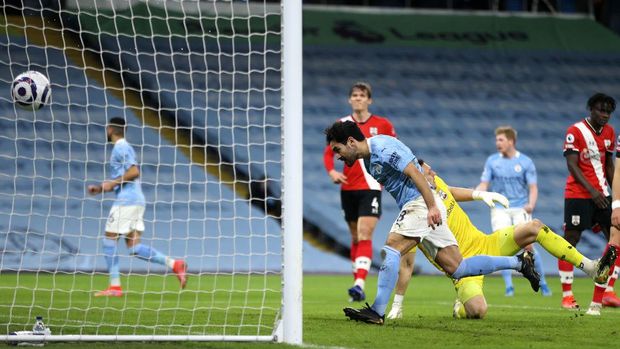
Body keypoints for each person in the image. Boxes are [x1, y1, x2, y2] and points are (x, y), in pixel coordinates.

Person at [325, 121, 540, 326]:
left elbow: (415, 172)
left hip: (419, 202)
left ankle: (377, 311)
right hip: (418, 205)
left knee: (392, 248)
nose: (338, 157)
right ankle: (519, 263)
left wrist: (432, 207)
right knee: (457, 267)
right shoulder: (369, 161)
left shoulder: (383, 146)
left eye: (338, 149)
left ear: (351, 141)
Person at [385, 160, 615, 320]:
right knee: (477, 311)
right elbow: (406, 263)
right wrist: (397, 304)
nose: (433, 173)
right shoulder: (414, 213)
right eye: (427, 171)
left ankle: (591, 268)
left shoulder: (438, 184)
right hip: (464, 269)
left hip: (486, 244)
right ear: (416, 177)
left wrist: (479, 194)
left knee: (534, 227)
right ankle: (460, 307)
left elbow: (450, 191)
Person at [87, 117, 187, 297]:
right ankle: (174, 264)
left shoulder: (121, 147)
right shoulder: (122, 147)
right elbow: (124, 177)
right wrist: (102, 187)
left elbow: (134, 171)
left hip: (127, 201)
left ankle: (115, 287)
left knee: (108, 240)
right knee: (134, 247)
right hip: (134, 199)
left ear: (110, 129)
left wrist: (112, 183)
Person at [323, 82, 396, 302]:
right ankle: (358, 287)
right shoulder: (342, 124)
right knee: (355, 237)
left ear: (369, 100)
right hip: (348, 188)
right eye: (354, 95)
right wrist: (332, 172)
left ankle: (359, 283)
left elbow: (393, 149)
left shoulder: (382, 125)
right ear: (349, 99)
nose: (358, 98)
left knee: (365, 234)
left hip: (371, 187)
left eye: (362, 95)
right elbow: (328, 153)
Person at [560, 93, 620, 313]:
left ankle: (608, 292)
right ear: (591, 109)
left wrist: (616, 198)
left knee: (615, 240)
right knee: (570, 241)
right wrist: (592, 191)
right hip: (578, 195)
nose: (604, 115)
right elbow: (572, 166)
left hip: (603, 195)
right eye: (600, 110)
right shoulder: (575, 131)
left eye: (608, 112)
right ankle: (567, 296)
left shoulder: (611, 133)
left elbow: (610, 167)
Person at [476, 126, 549, 297]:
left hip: (520, 208)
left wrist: (531, 204)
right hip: (500, 209)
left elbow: (533, 187)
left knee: (528, 245)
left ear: (511, 141)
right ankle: (509, 286)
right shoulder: (492, 161)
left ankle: (543, 282)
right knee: (503, 246)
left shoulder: (525, 162)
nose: (497, 143)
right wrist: (477, 192)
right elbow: (484, 183)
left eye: (501, 140)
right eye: (496, 140)